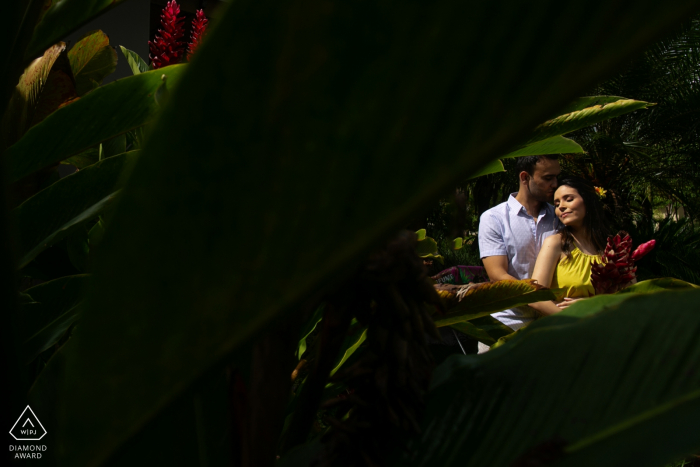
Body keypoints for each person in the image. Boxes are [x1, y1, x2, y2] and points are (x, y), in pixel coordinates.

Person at [478, 155, 561, 331]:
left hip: (553, 323)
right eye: (547, 178)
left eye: (556, 177)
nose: (555, 184)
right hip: (508, 323)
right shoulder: (494, 219)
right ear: (525, 177)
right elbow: (497, 274)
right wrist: (538, 301)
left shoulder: (560, 217)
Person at [527, 177, 613, 315]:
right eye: (556, 204)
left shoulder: (611, 248)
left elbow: (631, 295)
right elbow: (535, 298)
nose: (561, 206)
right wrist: (573, 320)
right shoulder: (556, 243)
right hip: (563, 329)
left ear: (588, 200)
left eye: (569, 199)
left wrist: (591, 305)